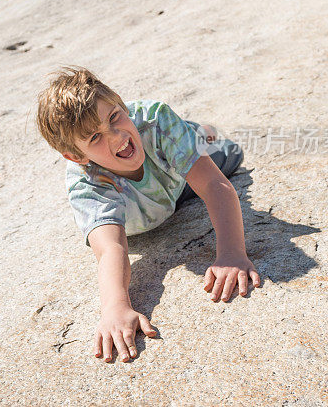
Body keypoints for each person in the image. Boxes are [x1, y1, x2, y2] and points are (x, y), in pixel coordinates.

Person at [35, 67, 261, 364]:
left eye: (115, 117)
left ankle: (192, 133)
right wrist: (115, 307)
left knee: (229, 153)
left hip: (179, 179)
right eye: (94, 137)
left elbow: (213, 185)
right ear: (76, 156)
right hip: (144, 206)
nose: (115, 136)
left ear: (123, 106)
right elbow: (111, 250)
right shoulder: (88, 183)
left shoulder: (155, 121)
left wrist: (232, 253)